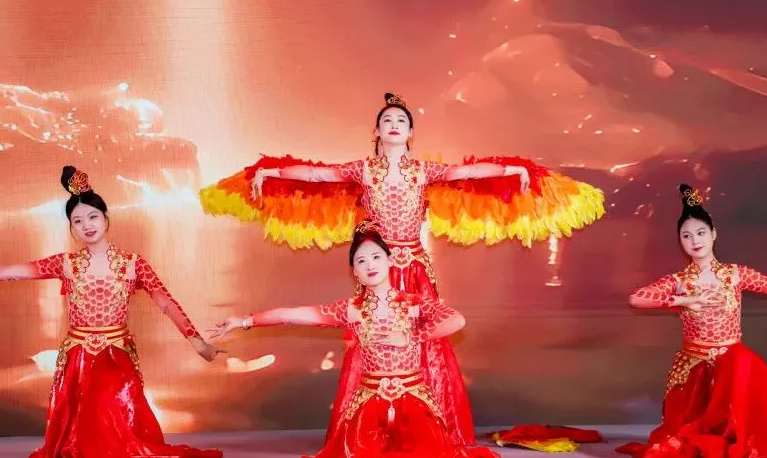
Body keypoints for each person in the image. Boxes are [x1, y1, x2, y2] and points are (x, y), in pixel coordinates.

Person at [199, 92, 605, 448]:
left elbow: (465, 172)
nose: (394, 125)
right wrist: (273, 172)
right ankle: (367, 422)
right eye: (387, 120)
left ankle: (433, 424)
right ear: (376, 131)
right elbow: (319, 175)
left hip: (414, 268)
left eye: (401, 121)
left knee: (426, 338)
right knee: (368, 335)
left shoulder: (422, 171)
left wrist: (509, 171)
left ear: (410, 133)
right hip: (376, 265)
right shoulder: (363, 169)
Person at [209, 221, 498, 458]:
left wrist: (411, 335)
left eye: (376, 257)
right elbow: (293, 314)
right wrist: (244, 321)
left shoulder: (414, 303)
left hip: (415, 401)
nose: (370, 264)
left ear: (390, 261)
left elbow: (456, 320)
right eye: (361, 260)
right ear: (355, 272)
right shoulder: (350, 309)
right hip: (368, 406)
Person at [0, 166, 224, 458]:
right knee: (78, 441)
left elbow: (166, 303)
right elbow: (18, 272)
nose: (87, 225)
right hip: (78, 358)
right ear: (71, 228)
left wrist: (197, 342)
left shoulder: (132, 263)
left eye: (93, 217)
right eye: (78, 221)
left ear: (106, 219)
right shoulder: (66, 263)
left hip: (116, 356)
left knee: (116, 433)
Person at [617, 183, 767, 458]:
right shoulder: (679, 281)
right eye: (686, 236)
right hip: (694, 365)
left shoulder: (734, 274)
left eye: (700, 233)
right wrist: (682, 301)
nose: (695, 241)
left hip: (731, 366)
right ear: (680, 241)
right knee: (686, 437)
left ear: (713, 234)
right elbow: (637, 298)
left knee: (742, 363)